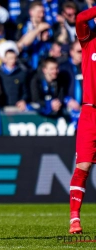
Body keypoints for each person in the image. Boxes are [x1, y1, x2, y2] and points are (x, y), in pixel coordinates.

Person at [68, 5, 96, 235]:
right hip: (90, 113)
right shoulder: (88, 39)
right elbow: (80, 17)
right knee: (83, 166)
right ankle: (74, 219)